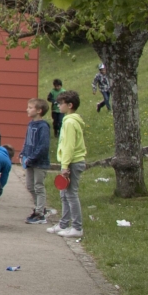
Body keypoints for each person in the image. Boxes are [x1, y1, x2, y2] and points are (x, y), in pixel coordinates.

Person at [53, 89, 87, 239]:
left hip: (73, 162)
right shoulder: (68, 121)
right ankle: (64, 224)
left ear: (70, 105)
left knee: (71, 194)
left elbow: (68, 146)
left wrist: (65, 165)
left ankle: (77, 227)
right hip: (70, 162)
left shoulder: (70, 123)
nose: (59, 106)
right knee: (64, 194)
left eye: (61, 103)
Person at [20, 97, 54, 225]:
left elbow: (43, 146)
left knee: (38, 186)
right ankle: (39, 208)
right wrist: (23, 153)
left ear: (39, 110)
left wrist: (32, 157)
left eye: (30, 108)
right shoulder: (30, 124)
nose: (27, 110)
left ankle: (40, 214)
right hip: (29, 161)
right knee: (30, 186)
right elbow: (27, 141)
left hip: (39, 163)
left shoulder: (43, 126)